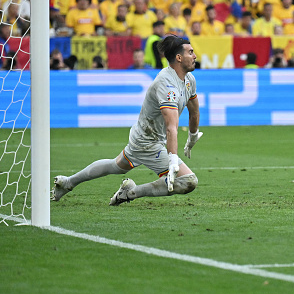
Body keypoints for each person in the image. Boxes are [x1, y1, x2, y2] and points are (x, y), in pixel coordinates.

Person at [52, 35, 202, 205]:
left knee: (116, 166)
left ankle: (68, 182)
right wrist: (173, 158)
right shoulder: (166, 85)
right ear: (179, 58)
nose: (195, 56)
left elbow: (194, 111)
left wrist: (192, 136)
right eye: (191, 52)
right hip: (148, 142)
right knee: (188, 181)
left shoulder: (189, 80)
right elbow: (171, 127)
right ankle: (131, 192)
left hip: (145, 136)